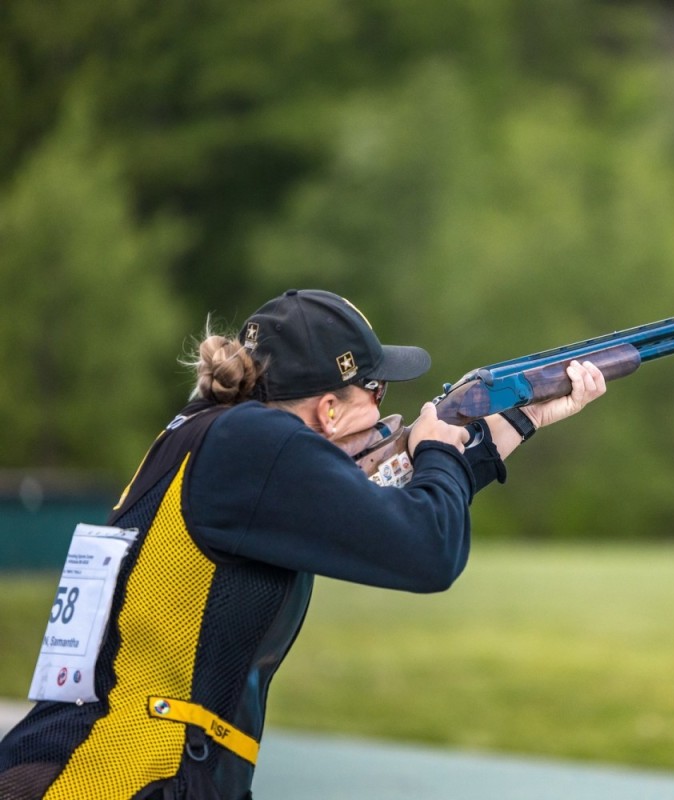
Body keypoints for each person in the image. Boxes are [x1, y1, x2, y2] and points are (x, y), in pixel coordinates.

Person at [0, 289, 606, 800]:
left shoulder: (218, 435)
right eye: (377, 392)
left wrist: (515, 423)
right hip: (120, 776)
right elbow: (429, 551)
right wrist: (439, 446)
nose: (383, 411)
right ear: (329, 411)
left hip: (97, 765)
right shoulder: (260, 444)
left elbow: (385, 516)